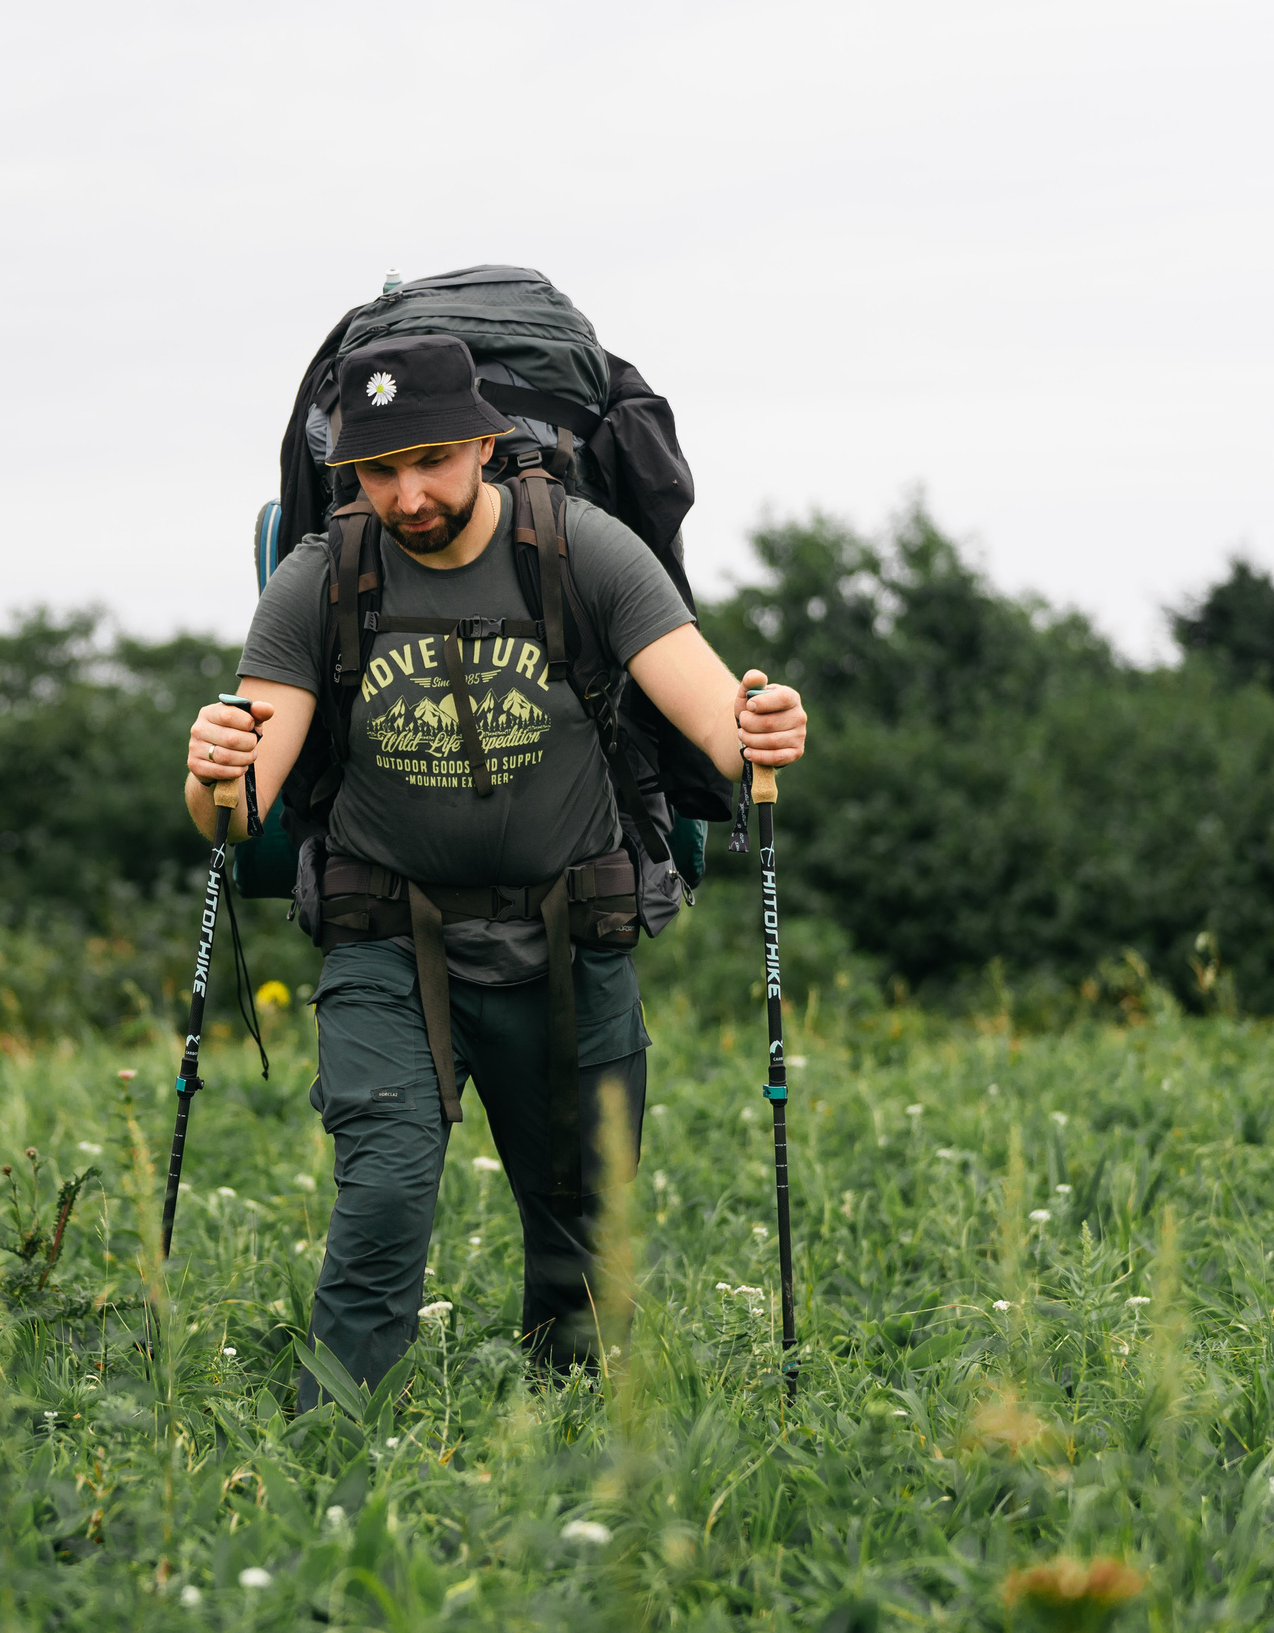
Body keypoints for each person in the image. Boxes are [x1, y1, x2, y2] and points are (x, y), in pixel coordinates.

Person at [185, 333, 808, 1395]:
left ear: (484, 441)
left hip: (573, 939)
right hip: (386, 943)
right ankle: (319, 1454)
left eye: (430, 459)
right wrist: (212, 771)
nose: (407, 493)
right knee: (381, 1204)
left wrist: (763, 727)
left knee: (584, 1232)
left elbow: (715, 719)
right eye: (378, 470)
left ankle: (566, 1444)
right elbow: (235, 812)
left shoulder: (583, 550)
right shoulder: (317, 579)